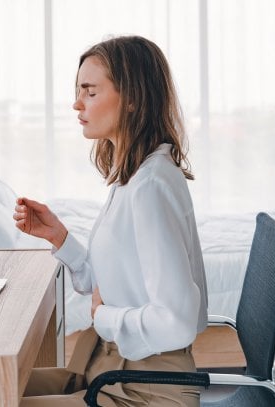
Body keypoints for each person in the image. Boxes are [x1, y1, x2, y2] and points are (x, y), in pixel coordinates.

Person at [13, 35, 208, 407]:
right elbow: (116, 284)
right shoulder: (132, 175)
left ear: (132, 99)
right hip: (111, 369)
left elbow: (176, 321)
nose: (76, 104)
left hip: (145, 388)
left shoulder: (150, 185)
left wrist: (104, 318)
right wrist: (60, 238)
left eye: (89, 92)